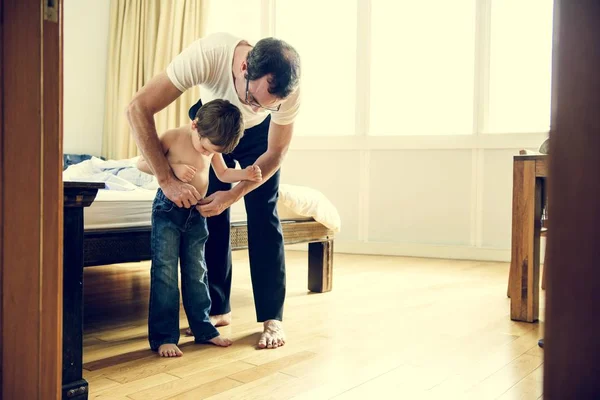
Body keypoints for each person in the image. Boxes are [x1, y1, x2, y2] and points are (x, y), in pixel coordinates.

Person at [127, 32, 301, 349]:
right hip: (214, 126)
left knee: (263, 211)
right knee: (209, 212)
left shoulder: (286, 92)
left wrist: (234, 194)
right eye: (252, 100)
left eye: (267, 106)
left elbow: (275, 153)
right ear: (244, 67)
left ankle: (272, 318)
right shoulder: (209, 55)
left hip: (259, 141)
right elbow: (138, 107)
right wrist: (167, 179)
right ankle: (217, 309)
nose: (256, 108)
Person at [137, 99, 262, 357]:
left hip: (197, 213)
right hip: (168, 211)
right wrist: (172, 167)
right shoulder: (173, 136)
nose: (207, 154)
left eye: (211, 152)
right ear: (195, 126)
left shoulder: (211, 143)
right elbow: (140, 163)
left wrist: (246, 175)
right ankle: (164, 337)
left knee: (197, 272)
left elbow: (225, 173)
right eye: (205, 149)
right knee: (166, 274)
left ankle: (204, 328)